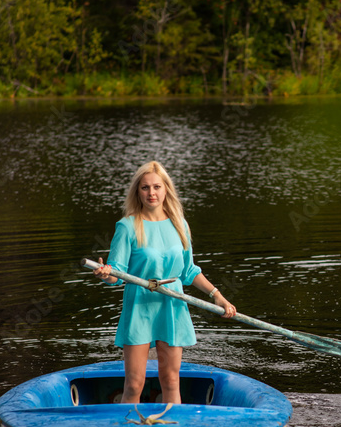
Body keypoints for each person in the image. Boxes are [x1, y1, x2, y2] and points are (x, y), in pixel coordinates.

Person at [93, 161, 236, 404]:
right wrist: (106, 274)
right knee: (134, 383)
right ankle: (129, 426)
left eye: (157, 187)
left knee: (170, 380)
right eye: (145, 187)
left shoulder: (180, 224)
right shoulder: (127, 226)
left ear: (166, 189)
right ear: (137, 191)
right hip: (139, 305)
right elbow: (117, 273)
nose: (152, 193)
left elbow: (188, 271)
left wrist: (217, 295)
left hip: (172, 304)